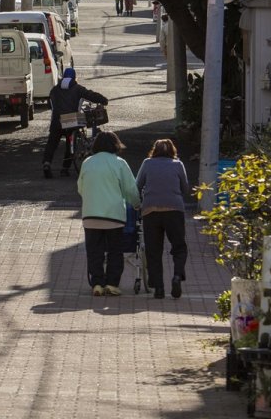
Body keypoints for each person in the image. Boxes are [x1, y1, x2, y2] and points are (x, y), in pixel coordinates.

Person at [77, 131, 140, 296]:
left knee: (94, 251)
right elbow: (130, 189)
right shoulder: (119, 163)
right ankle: (112, 283)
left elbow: (80, 188)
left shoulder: (87, 162)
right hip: (114, 216)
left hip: (90, 215)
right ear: (116, 145)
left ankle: (97, 283)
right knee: (115, 251)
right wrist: (136, 204)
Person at [136, 138, 191, 300]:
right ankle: (177, 276)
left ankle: (159, 288)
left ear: (155, 150)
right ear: (172, 151)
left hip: (150, 210)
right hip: (174, 210)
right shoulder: (178, 164)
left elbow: (137, 185)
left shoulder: (147, 163)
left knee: (154, 250)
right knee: (179, 246)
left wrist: (140, 202)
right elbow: (185, 188)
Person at [43, 66, 107, 179]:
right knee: (70, 142)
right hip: (73, 120)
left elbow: (50, 105)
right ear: (74, 78)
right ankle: (65, 168)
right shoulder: (77, 88)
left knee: (52, 143)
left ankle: (47, 163)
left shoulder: (54, 90)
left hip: (56, 121)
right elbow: (91, 95)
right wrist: (103, 99)